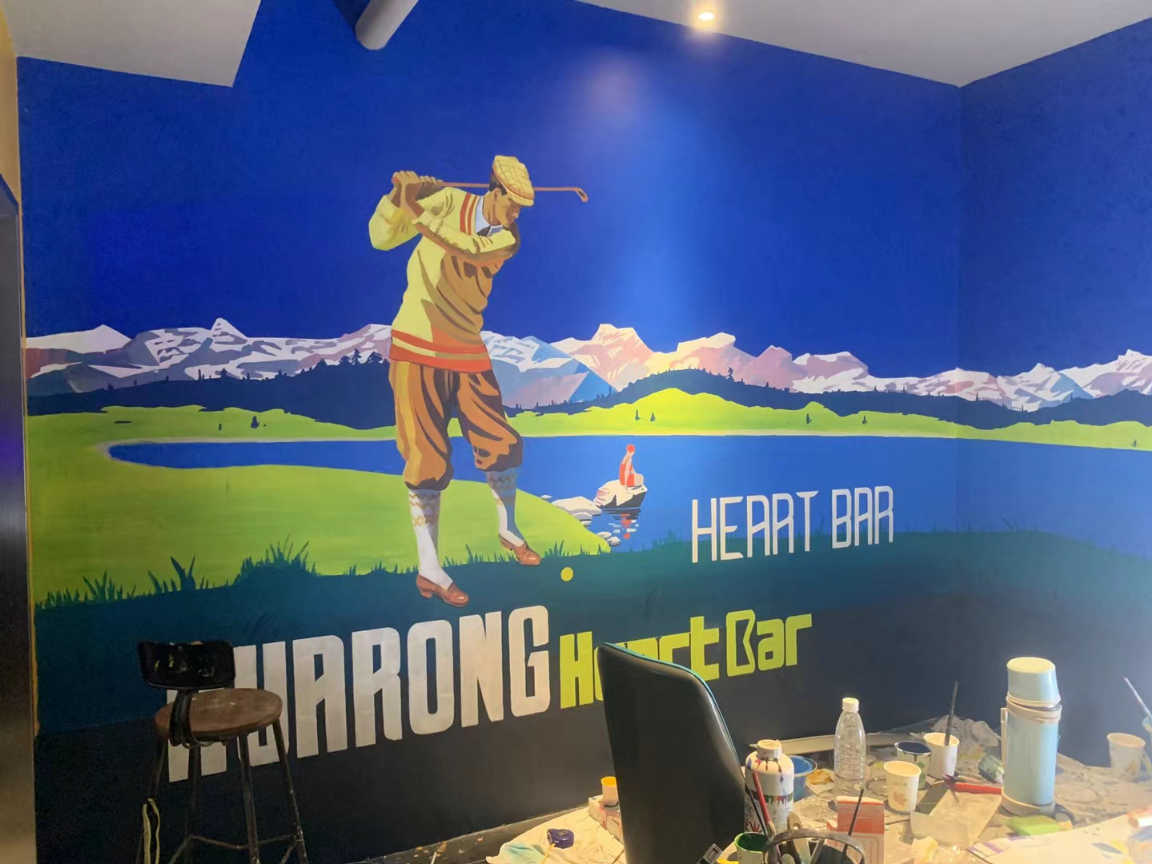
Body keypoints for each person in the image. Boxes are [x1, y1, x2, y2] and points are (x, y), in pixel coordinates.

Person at [369, 156, 541, 607]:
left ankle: (508, 529)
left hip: (465, 347)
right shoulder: (447, 201)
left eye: (522, 207)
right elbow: (380, 238)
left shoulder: (507, 238)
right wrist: (397, 198)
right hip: (417, 344)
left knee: (501, 441)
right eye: (512, 203)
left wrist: (415, 206)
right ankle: (429, 568)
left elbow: (465, 248)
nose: (516, 213)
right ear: (494, 191)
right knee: (425, 457)